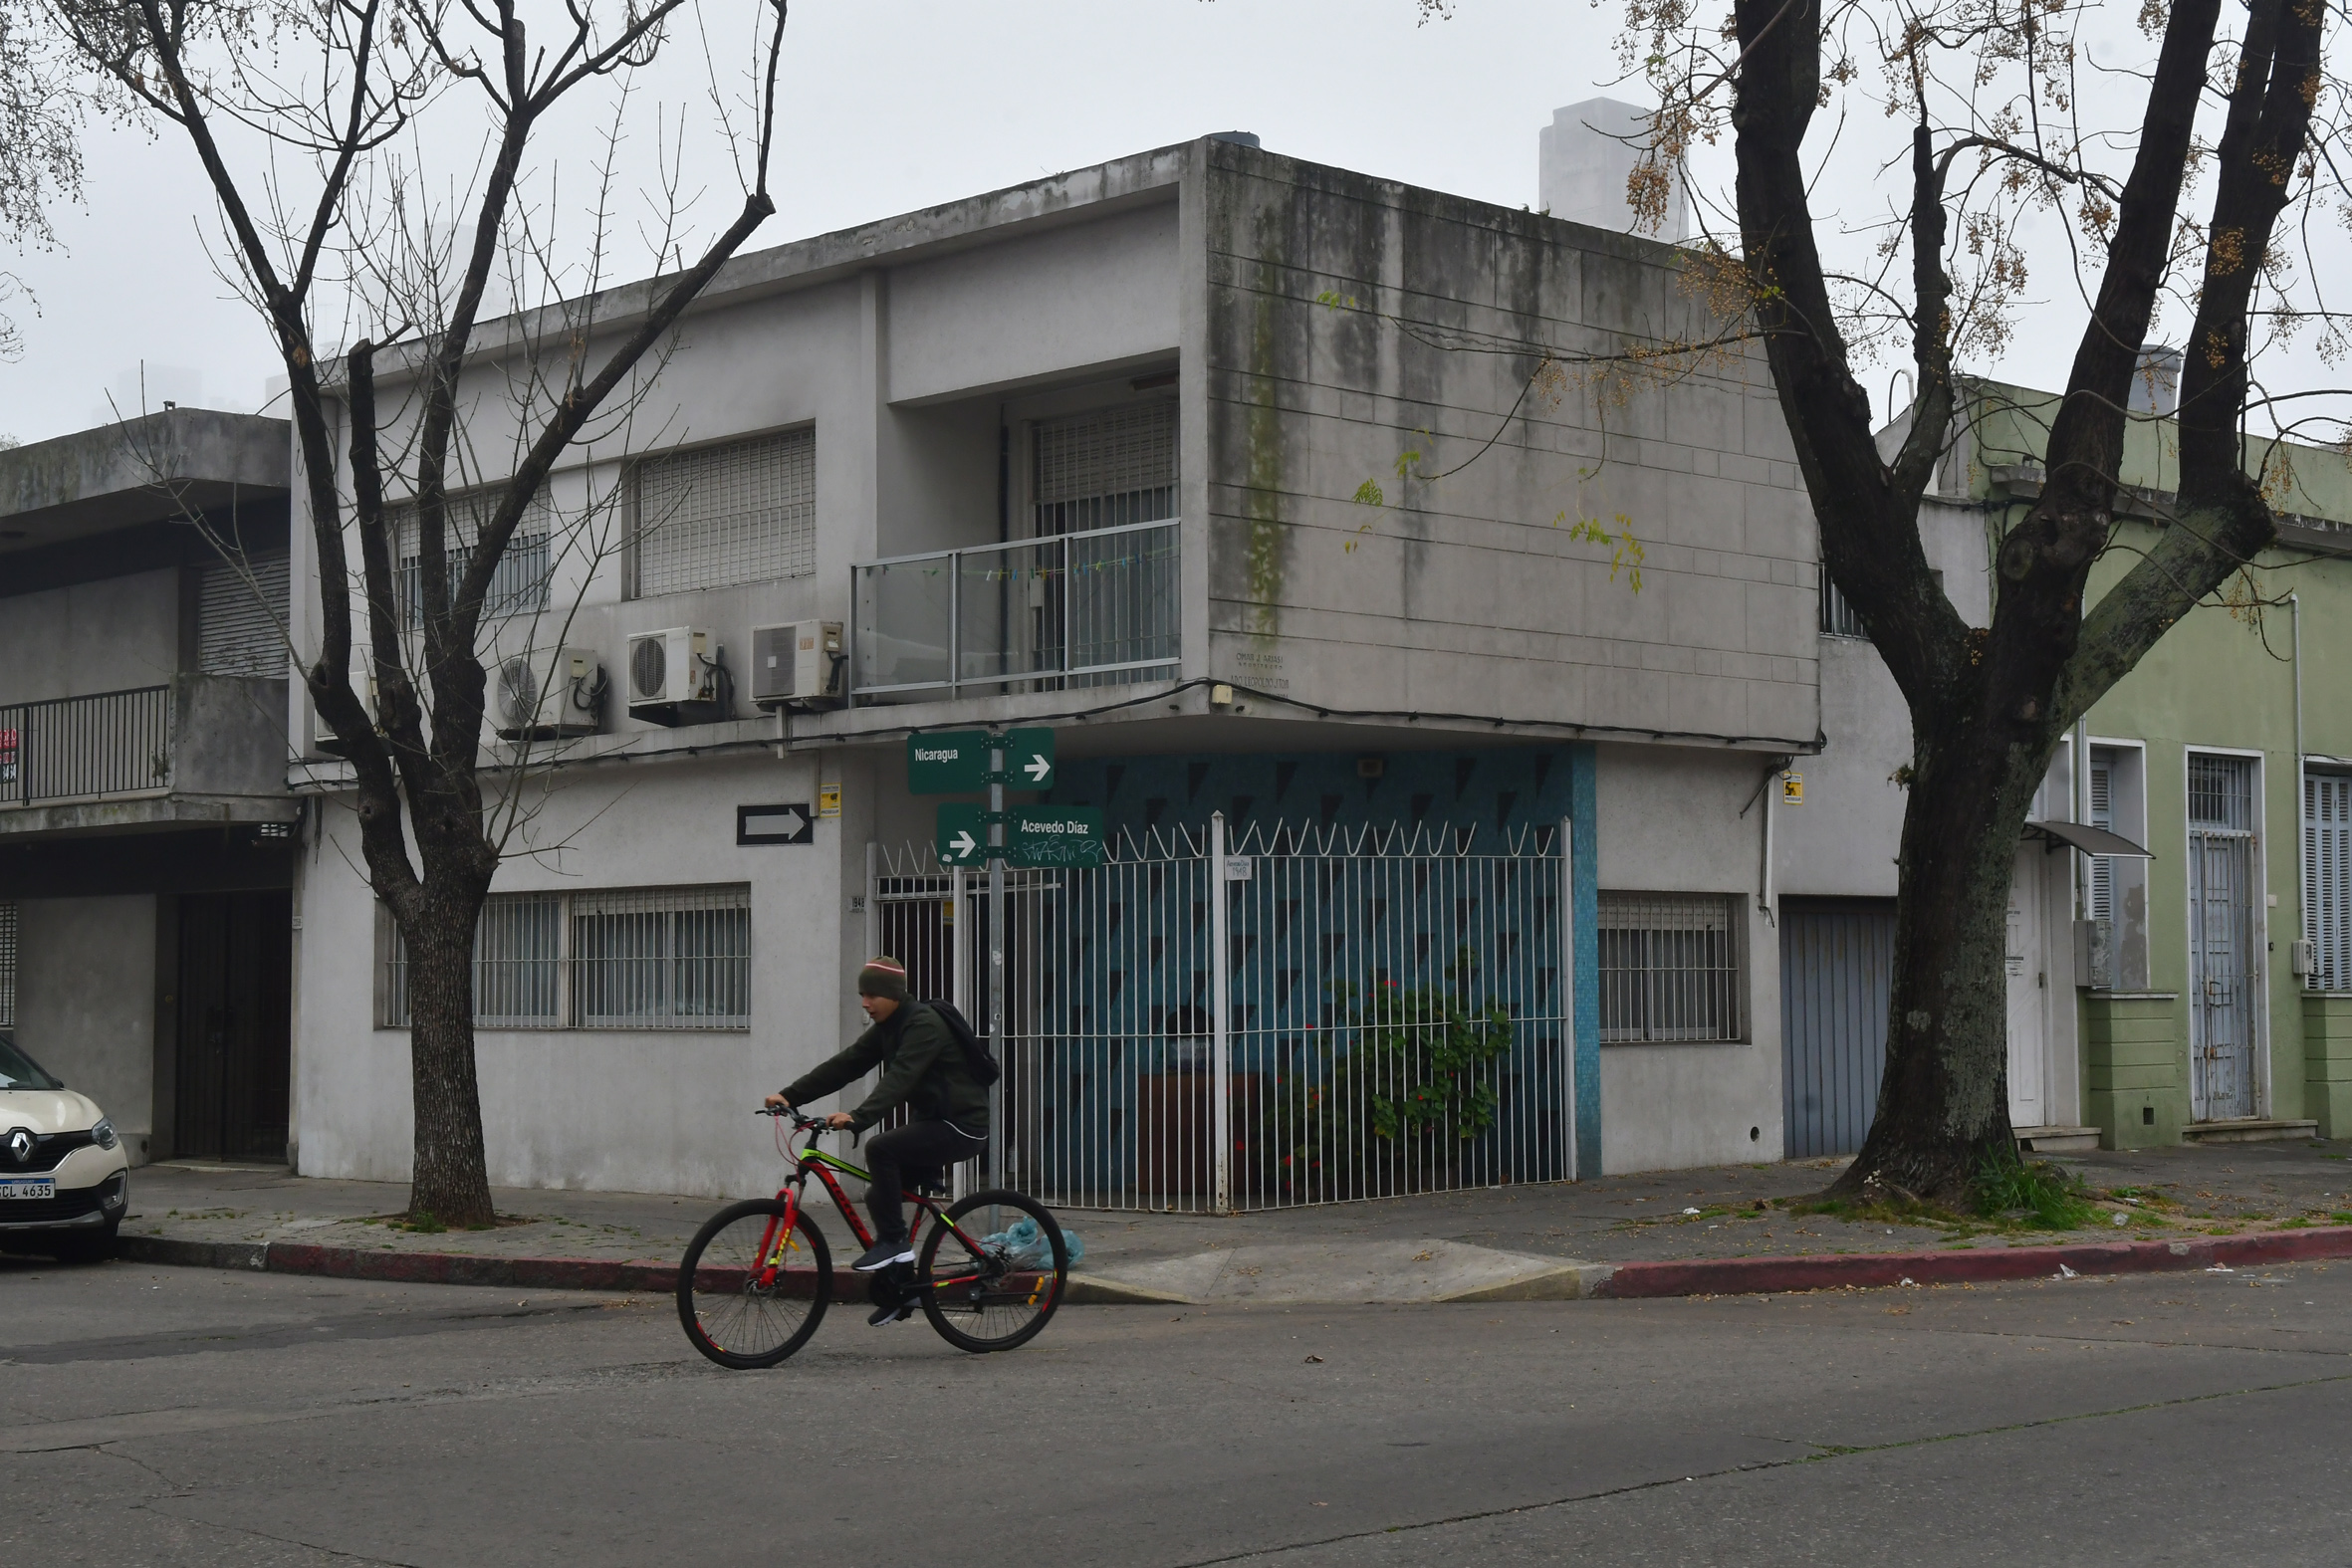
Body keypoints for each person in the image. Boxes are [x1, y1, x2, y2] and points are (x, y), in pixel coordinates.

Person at [765, 957, 989, 1320]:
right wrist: (790, 1095)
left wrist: (860, 1117)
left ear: (893, 994)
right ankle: (902, 1290)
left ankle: (895, 1244)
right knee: (878, 1193)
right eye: (861, 995)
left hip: (961, 1125)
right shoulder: (889, 1026)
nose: (865, 1003)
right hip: (933, 1123)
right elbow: (847, 1064)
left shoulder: (923, 1025)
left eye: (871, 995)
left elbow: (900, 1078)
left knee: (879, 1147)